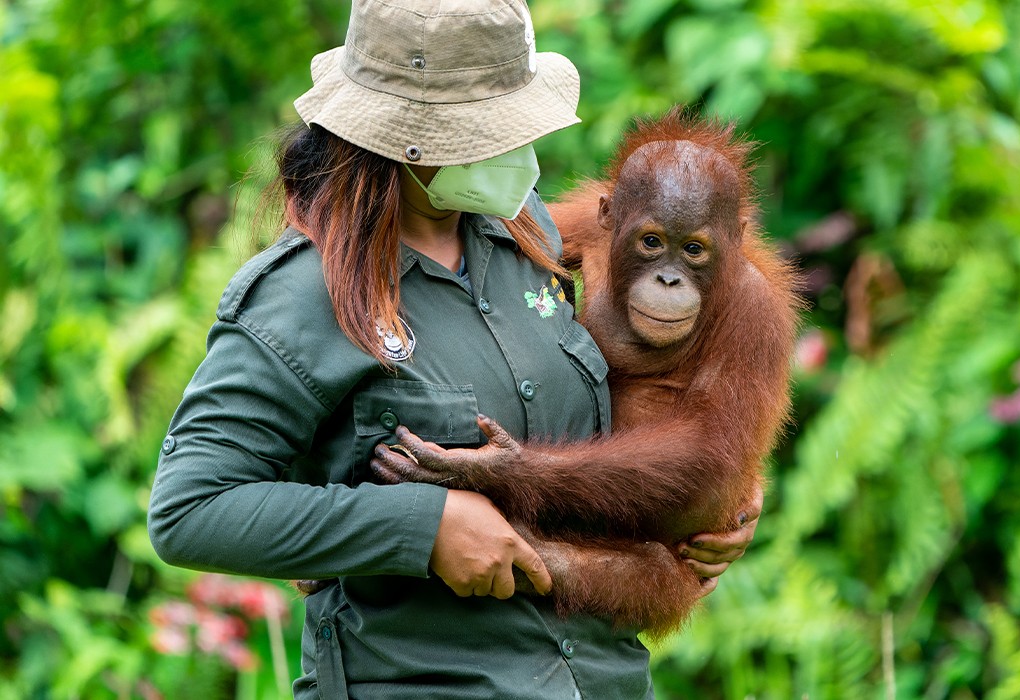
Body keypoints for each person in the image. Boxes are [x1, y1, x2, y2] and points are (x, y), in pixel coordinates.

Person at [147, 1, 760, 697]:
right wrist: (419, 527)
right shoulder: (305, 297)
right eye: (489, 129)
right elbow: (190, 511)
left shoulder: (526, 233)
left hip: (599, 677)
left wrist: (720, 488)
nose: (517, 152)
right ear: (408, 139)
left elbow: (625, 399)